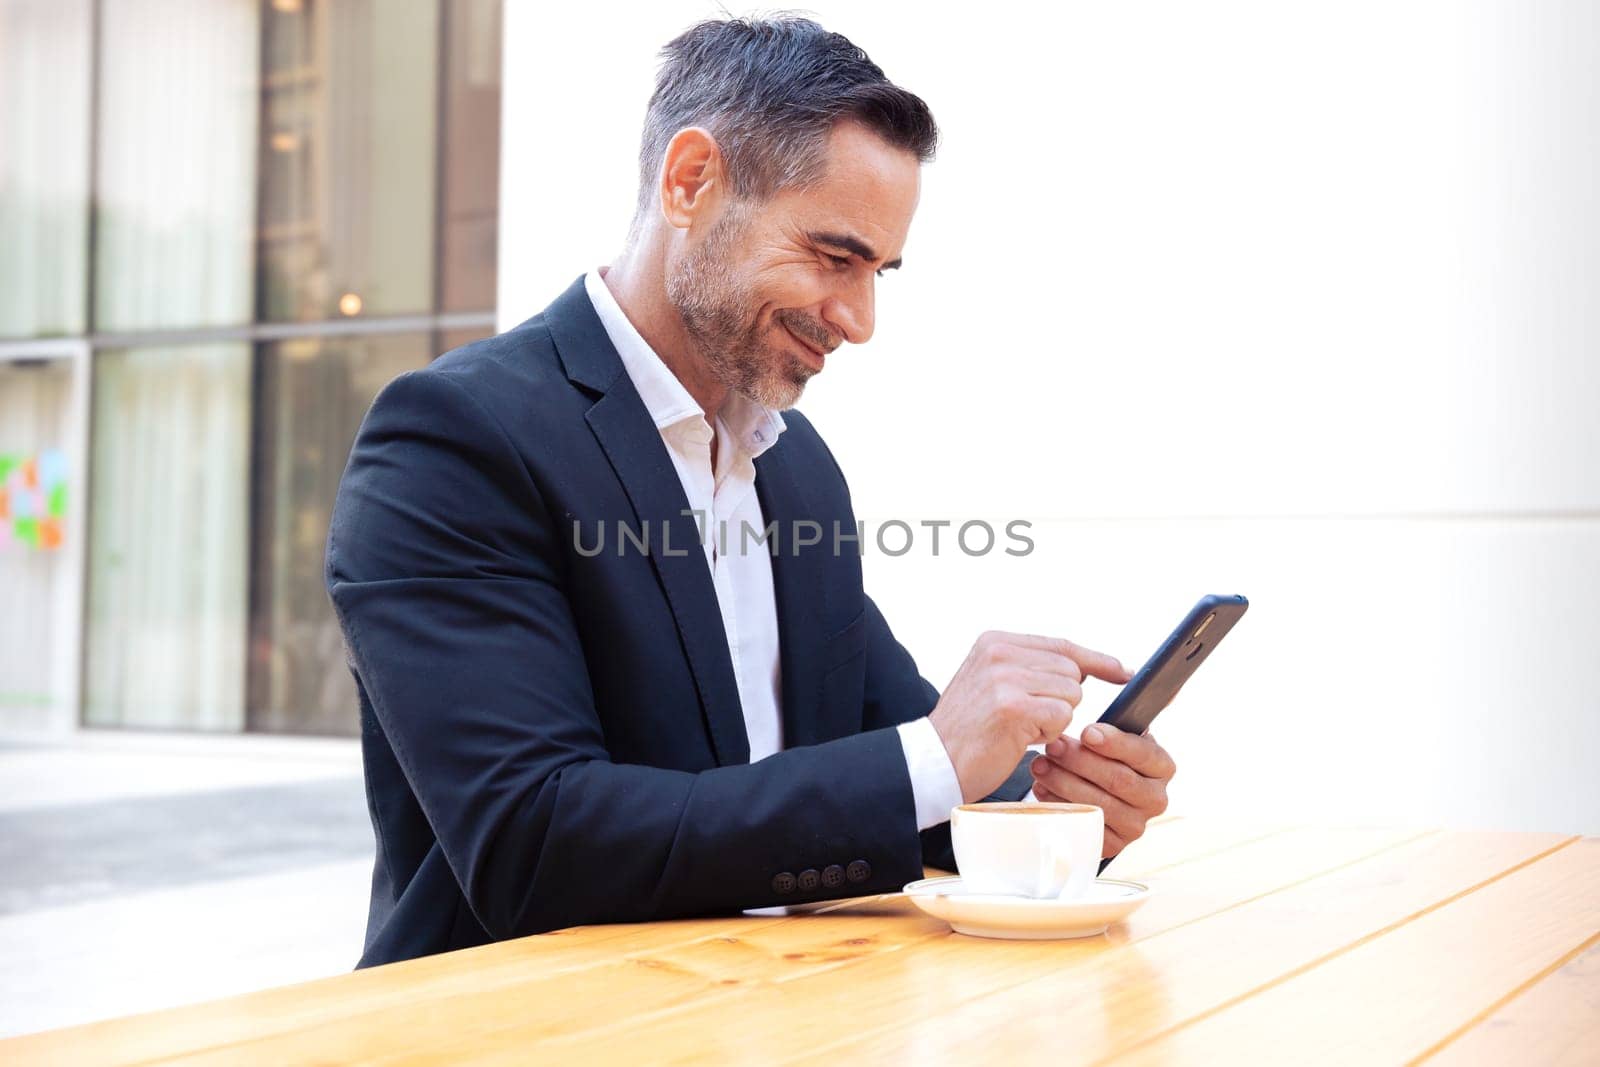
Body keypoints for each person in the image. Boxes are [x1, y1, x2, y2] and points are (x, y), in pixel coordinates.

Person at [327, 15, 1177, 970]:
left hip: (773, 1012)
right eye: (833, 255)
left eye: (879, 272)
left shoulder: (795, 465)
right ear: (691, 182)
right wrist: (937, 755)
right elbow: (533, 840)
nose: (859, 320)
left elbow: (883, 791)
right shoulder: (457, 437)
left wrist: (1051, 820)